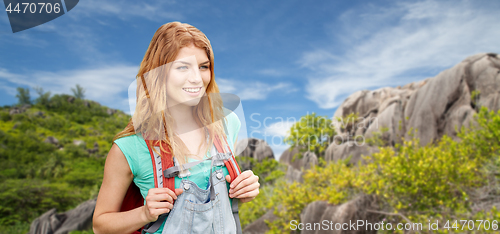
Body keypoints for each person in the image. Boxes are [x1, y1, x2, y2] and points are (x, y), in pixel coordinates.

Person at [93, 22, 260, 234]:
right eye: (183, 67)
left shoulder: (228, 124)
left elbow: (219, 206)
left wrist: (244, 190)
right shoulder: (129, 149)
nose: (197, 79)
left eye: (203, 66)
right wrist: (144, 213)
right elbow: (100, 225)